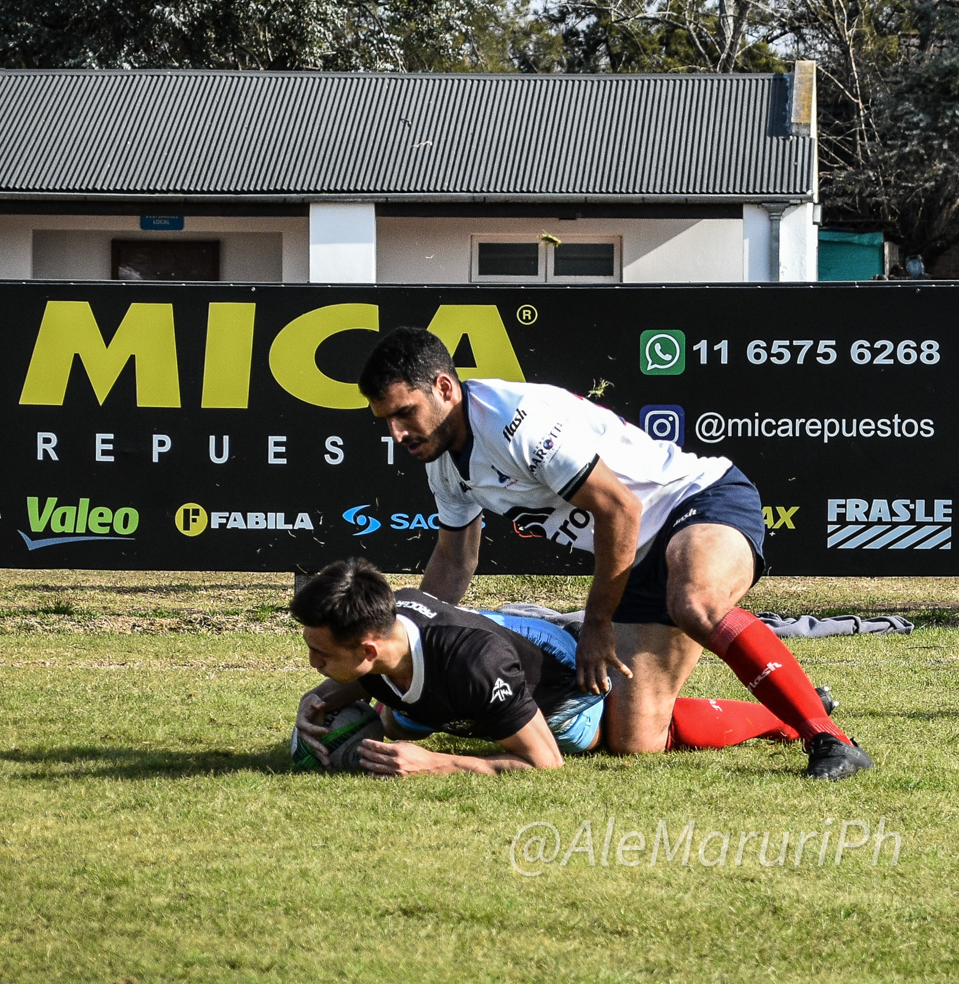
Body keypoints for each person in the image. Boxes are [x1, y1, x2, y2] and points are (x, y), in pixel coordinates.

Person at [355, 327, 872, 780]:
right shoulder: (442, 460)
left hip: (697, 501)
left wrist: (597, 624)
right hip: (635, 557)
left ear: (444, 388)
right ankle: (791, 710)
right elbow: (454, 561)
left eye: (404, 413)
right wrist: (399, 645)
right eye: (385, 420)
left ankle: (828, 739)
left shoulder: (515, 420)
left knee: (695, 602)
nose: (397, 433)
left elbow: (621, 510)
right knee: (635, 740)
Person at [290, 559, 827, 776]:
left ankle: (783, 717)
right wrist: (322, 698)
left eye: (322, 655)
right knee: (395, 724)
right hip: (491, 647)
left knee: (628, 739)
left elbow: (544, 764)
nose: (314, 664)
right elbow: (361, 675)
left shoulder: (475, 666)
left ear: (368, 651)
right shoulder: (387, 621)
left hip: (564, 685)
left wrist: (437, 763)